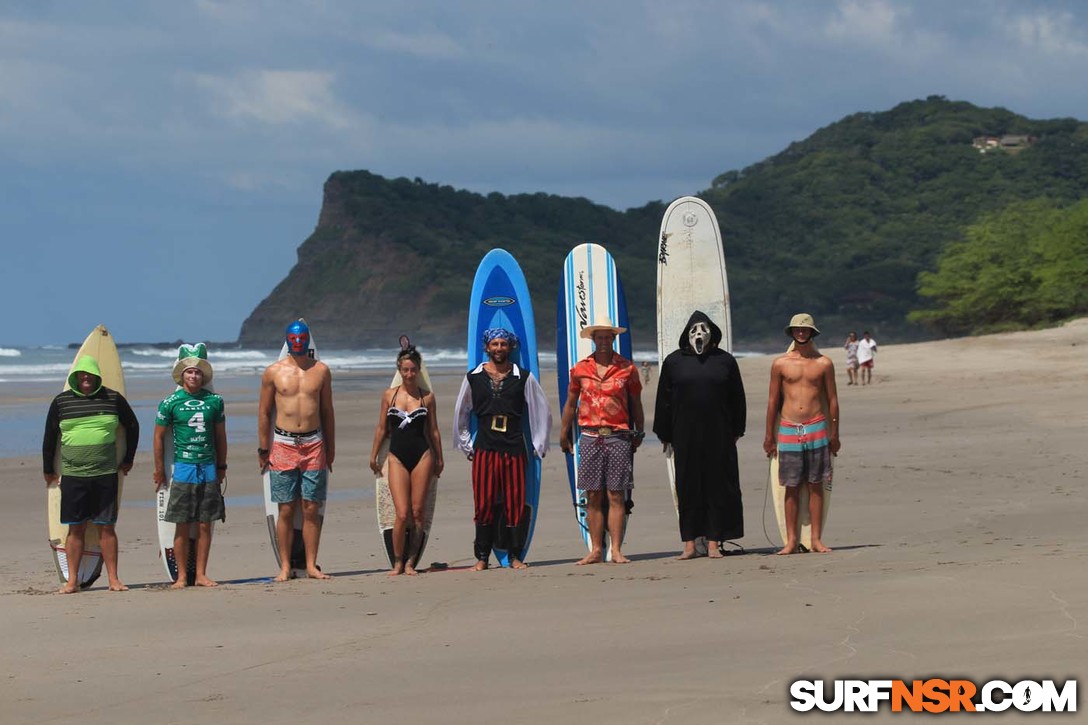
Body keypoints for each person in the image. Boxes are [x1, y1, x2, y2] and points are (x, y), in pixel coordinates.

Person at [453, 328, 551, 570]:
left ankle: (515, 555)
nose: (499, 348)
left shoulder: (523, 377)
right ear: (487, 348)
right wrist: (465, 444)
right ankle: (482, 556)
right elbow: (461, 412)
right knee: (484, 502)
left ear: (511, 348)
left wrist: (539, 444)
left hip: (515, 447)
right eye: (495, 344)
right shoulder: (473, 377)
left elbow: (541, 412)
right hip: (485, 447)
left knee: (514, 501)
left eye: (503, 344)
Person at [42, 355, 140, 593]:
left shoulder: (113, 399)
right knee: (76, 529)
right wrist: (48, 469)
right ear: (74, 378)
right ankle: (73, 580)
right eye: (81, 375)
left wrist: (128, 459)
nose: (85, 378)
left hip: (105, 474)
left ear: (97, 376)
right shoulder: (61, 402)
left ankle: (114, 579)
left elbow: (133, 426)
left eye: (90, 375)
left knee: (106, 527)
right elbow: (50, 437)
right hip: (73, 475)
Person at [653, 311, 746, 560]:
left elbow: (737, 398)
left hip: (719, 434)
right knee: (687, 487)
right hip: (685, 435)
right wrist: (664, 433)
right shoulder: (674, 362)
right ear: (687, 334)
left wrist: (737, 430)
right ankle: (690, 544)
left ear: (712, 333)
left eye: (703, 329)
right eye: (694, 330)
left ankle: (714, 542)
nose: (699, 334)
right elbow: (663, 400)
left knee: (716, 486)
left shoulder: (725, 361)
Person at [559, 316, 645, 565]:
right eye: (600, 337)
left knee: (616, 494)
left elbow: (636, 403)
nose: (604, 341)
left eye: (608, 337)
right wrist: (564, 432)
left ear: (614, 339)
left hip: (618, 436)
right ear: (593, 340)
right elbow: (571, 403)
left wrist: (639, 431)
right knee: (593, 495)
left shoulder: (627, 368)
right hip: (589, 436)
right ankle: (596, 549)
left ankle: (616, 550)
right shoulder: (580, 368)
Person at [258, 319, 336, 581]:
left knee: (311, 507)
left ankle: (312, 564)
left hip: (314, 444)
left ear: (307, 339)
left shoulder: (321, 371)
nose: (299, 342)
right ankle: (284, 566)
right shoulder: (273, 372)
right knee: (286, 509)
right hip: (283, 444)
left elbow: (327, 411)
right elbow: (264, 412)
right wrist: (262, 448)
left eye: (303, 337)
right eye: (294, 338)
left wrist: (331, 448)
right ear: (288, 340)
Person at [763, 313, 840, 555]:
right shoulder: (780, 364)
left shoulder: (824, 363)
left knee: (816, 484)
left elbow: (833, 400)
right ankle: (791, 540)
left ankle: (816, 539)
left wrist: (835, 434)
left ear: (812, 333)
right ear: (792, 332)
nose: (801, 332)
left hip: (817, 426)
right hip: (788, 428)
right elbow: (773, 401)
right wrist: (768, 436)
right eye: (797, 329)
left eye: (805, 330)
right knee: (791, 486)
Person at [153, 343, 227, 588]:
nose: (193, 375)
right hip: (183, 467)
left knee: (205, 523)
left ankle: (201, 574)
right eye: (189, 372)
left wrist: (222, 466)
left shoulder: (215, 401)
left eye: (197, 372)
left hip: (207, 466)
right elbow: (158, 437)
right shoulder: (170, 403)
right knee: (182, 524)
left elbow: (220, 436)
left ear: (203, 376)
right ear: (182, 375)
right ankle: (183, 576)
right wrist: (159, 469)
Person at [369, 344, 444, 576]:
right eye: (405, 370)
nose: (409, 374)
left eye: (413, 370)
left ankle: (411, 562)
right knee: (402, 513)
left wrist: (439, 458)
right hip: (397, 457)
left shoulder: (427, 398)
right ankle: (398, 561)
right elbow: (382, 428)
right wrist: (373, 455)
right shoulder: (389, 396)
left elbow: (433, 431)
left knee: (418, 511)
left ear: (419, 370)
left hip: (422, 456)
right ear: (399, 370)